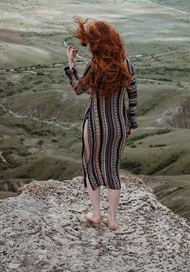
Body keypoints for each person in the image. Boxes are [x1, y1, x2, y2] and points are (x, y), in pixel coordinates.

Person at [64, 16, 138, 231]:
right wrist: (131, 123)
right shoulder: (127, 64)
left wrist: (71, 65)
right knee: (113, 169)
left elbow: (78, 89)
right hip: (118, 126)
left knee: (91, 167)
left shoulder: (93, 66)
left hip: (95, 125)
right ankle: (112, 220)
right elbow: (133, 97)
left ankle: (96, 214)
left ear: (98, 43)